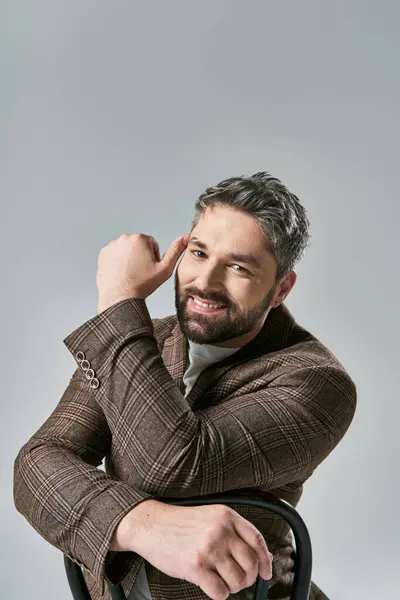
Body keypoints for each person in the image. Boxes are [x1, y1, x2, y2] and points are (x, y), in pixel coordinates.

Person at [13, 172, 357, 600]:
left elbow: (170, 462)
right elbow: (36, 465)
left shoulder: (316, 382)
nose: (205, 282)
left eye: (238, 266)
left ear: (280, 289)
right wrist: (141, 524)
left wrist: (121, 298)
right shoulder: (142, 340)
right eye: (198, 253)